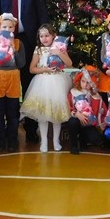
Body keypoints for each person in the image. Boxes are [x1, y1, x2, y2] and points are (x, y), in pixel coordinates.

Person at [0, 0, 50, 144]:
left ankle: (31, 129)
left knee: (29, 83)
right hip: (4, 47)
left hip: (28, 41)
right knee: (8, 90)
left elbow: (43, 14)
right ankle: (8, 133)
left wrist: (43, 42)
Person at [20, 24, 73, 152]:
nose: (44, 39)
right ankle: (44, 141)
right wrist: (45, 69)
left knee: (56, 113)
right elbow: (32, 68)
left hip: (58, 82)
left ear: (53, 35)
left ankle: (56, 141)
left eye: (47, 36)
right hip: (42, 82)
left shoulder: (60, 47)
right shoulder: (39, 49)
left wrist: (59, 53)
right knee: (42, 114)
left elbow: (69, 63)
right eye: (41, 36)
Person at [0, 13, 26, 152]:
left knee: (13, 113)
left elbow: (21, 63)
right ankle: (0, 139)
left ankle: (12, 140)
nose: (7, 29)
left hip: (13, 78)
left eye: (10, 27)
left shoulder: (18, 43)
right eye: (4, 27)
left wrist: (14, 49)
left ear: (14, 28)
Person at [67, 66, 107, 155]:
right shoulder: (73, 92)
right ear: (79, 80)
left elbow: (101, 111)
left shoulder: (95, 95)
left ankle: (83, 139)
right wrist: (77, 114)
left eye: (88, 82)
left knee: (96, 139)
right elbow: (69, 108)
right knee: (72, 122)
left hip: (89, 123)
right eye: (83, 81)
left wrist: (101, 123)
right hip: (77, 120)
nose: (85, 85)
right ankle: (73, 145)